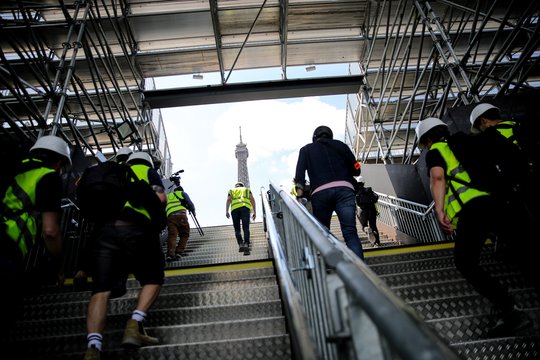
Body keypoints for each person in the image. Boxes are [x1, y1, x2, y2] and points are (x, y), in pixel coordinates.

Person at [416, 117, 533, 337]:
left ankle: (510, 311)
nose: (426, 147)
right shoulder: (470, 142)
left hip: (473, 210)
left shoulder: (436, 150)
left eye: (424, 144)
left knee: (465, 262)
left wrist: (439, 210)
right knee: (523, 251)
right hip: (500, 203)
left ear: (428, 138)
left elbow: (438, 177)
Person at [83, 151, 167, 360]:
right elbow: (160, 198)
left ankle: (93, 347)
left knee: (101, 289)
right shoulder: (147, 171)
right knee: (153, 278)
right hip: (138, 227)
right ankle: (134, 324)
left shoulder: (113, 172)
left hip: (106, 230)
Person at [0, 135, 71, 335]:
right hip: (7, 245)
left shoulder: (11, 165)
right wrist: (59, 267)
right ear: (58, 162)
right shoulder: (48, 176)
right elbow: (50, 230)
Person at [294, 125, 364, 259]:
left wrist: (299, 195)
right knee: (350, 233)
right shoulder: (341, 146)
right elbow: (356, 168)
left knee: (324, 233)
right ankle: (362, 270)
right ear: (330, 136)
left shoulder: (305, 150)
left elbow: (299, 175)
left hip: (320, 194)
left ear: (314, 137)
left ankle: (331, 267)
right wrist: (354, 166)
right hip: (345, 190)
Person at [165, 185, 196, 261]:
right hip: (181, 215)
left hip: (170, 217)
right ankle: (179, 252)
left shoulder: (167, 196)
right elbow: (190, 203)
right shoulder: (182, 193)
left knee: (172, 235)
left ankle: (170, 254)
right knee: (184, 234)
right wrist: (193, 211)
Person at [225, 182, 256, 256]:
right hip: (245, 208)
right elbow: (252, 199)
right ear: (242, 186)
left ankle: (240, 244)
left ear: (236, 186)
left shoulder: (231, 190)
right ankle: (246, 244)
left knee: (237, 229)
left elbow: (228, 200)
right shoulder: (246, 189)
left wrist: (226, 211)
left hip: (234, 210)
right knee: (246, 228)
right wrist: (254, 211)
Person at [355, 179, 381, 247]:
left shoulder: (355, 192)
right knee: (374, 226)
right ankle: (377, 243)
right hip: (372, 209)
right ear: (363, 183)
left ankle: (367, 229)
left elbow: (355, 202)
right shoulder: (368, 190)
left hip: (362, 211)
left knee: (363, 226)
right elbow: (376, 197)